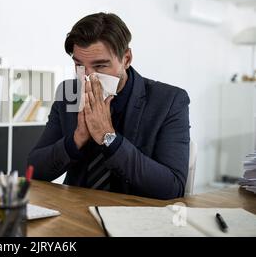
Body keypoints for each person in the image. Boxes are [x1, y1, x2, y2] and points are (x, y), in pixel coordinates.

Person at [28, 12, 190, 200]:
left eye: (100, 66)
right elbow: (34, 169)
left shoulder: (169, 101)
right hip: (76, 212)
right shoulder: (68, 93)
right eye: (79, 65)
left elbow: (172, 188)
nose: (88, 77)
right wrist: (76, 139)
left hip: (134, 217)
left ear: (126, 59)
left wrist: (108, 137)